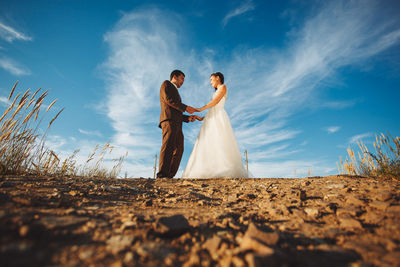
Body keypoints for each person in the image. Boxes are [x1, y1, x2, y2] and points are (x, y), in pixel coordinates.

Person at [182, 72, 248, 178]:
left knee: (219, 139)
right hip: (211, 116)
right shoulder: (217, 90)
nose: (211, 82)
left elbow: (216, 101)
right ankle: (209, 168)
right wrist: (202, 117)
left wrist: (199, 109)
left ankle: (223, 169)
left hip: (218, 116)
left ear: (218, 78)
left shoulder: (223, 87)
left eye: (212, 79)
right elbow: (213, 106)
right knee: (208, 141)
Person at [157, 70, 198, 179]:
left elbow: (176, 110)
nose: (183, 82)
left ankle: (169, 175)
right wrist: (185, 108)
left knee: (179, 149)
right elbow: (169, 100)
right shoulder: (166, 84)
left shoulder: (176, 91)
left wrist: (188, 118)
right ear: (175, 76)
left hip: (177, 122)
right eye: (182, 78)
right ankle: (162, 175)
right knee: (168, 146)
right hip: (168, 121)